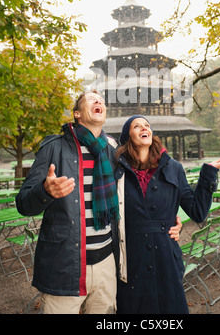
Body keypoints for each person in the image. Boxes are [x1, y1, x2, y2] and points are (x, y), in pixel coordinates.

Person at [15, 90, 181, 314]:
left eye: (101, 101)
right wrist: (45, 191)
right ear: (77, 114)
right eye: (92, 100)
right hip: (65, 264)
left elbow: (136, 196)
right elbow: (23, 204)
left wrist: (168, 221)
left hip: (106, 264)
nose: (99, 102)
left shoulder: (114, 153)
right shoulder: (54, 148)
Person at [114, 115, 220, 314]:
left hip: (166, 256)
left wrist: (208, 174)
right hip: (130, 257)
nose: (144, 128)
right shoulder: (117, 170)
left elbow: (197, 212)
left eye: (147, 125)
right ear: (128, 136)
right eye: (137, 126)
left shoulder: (174, 168)